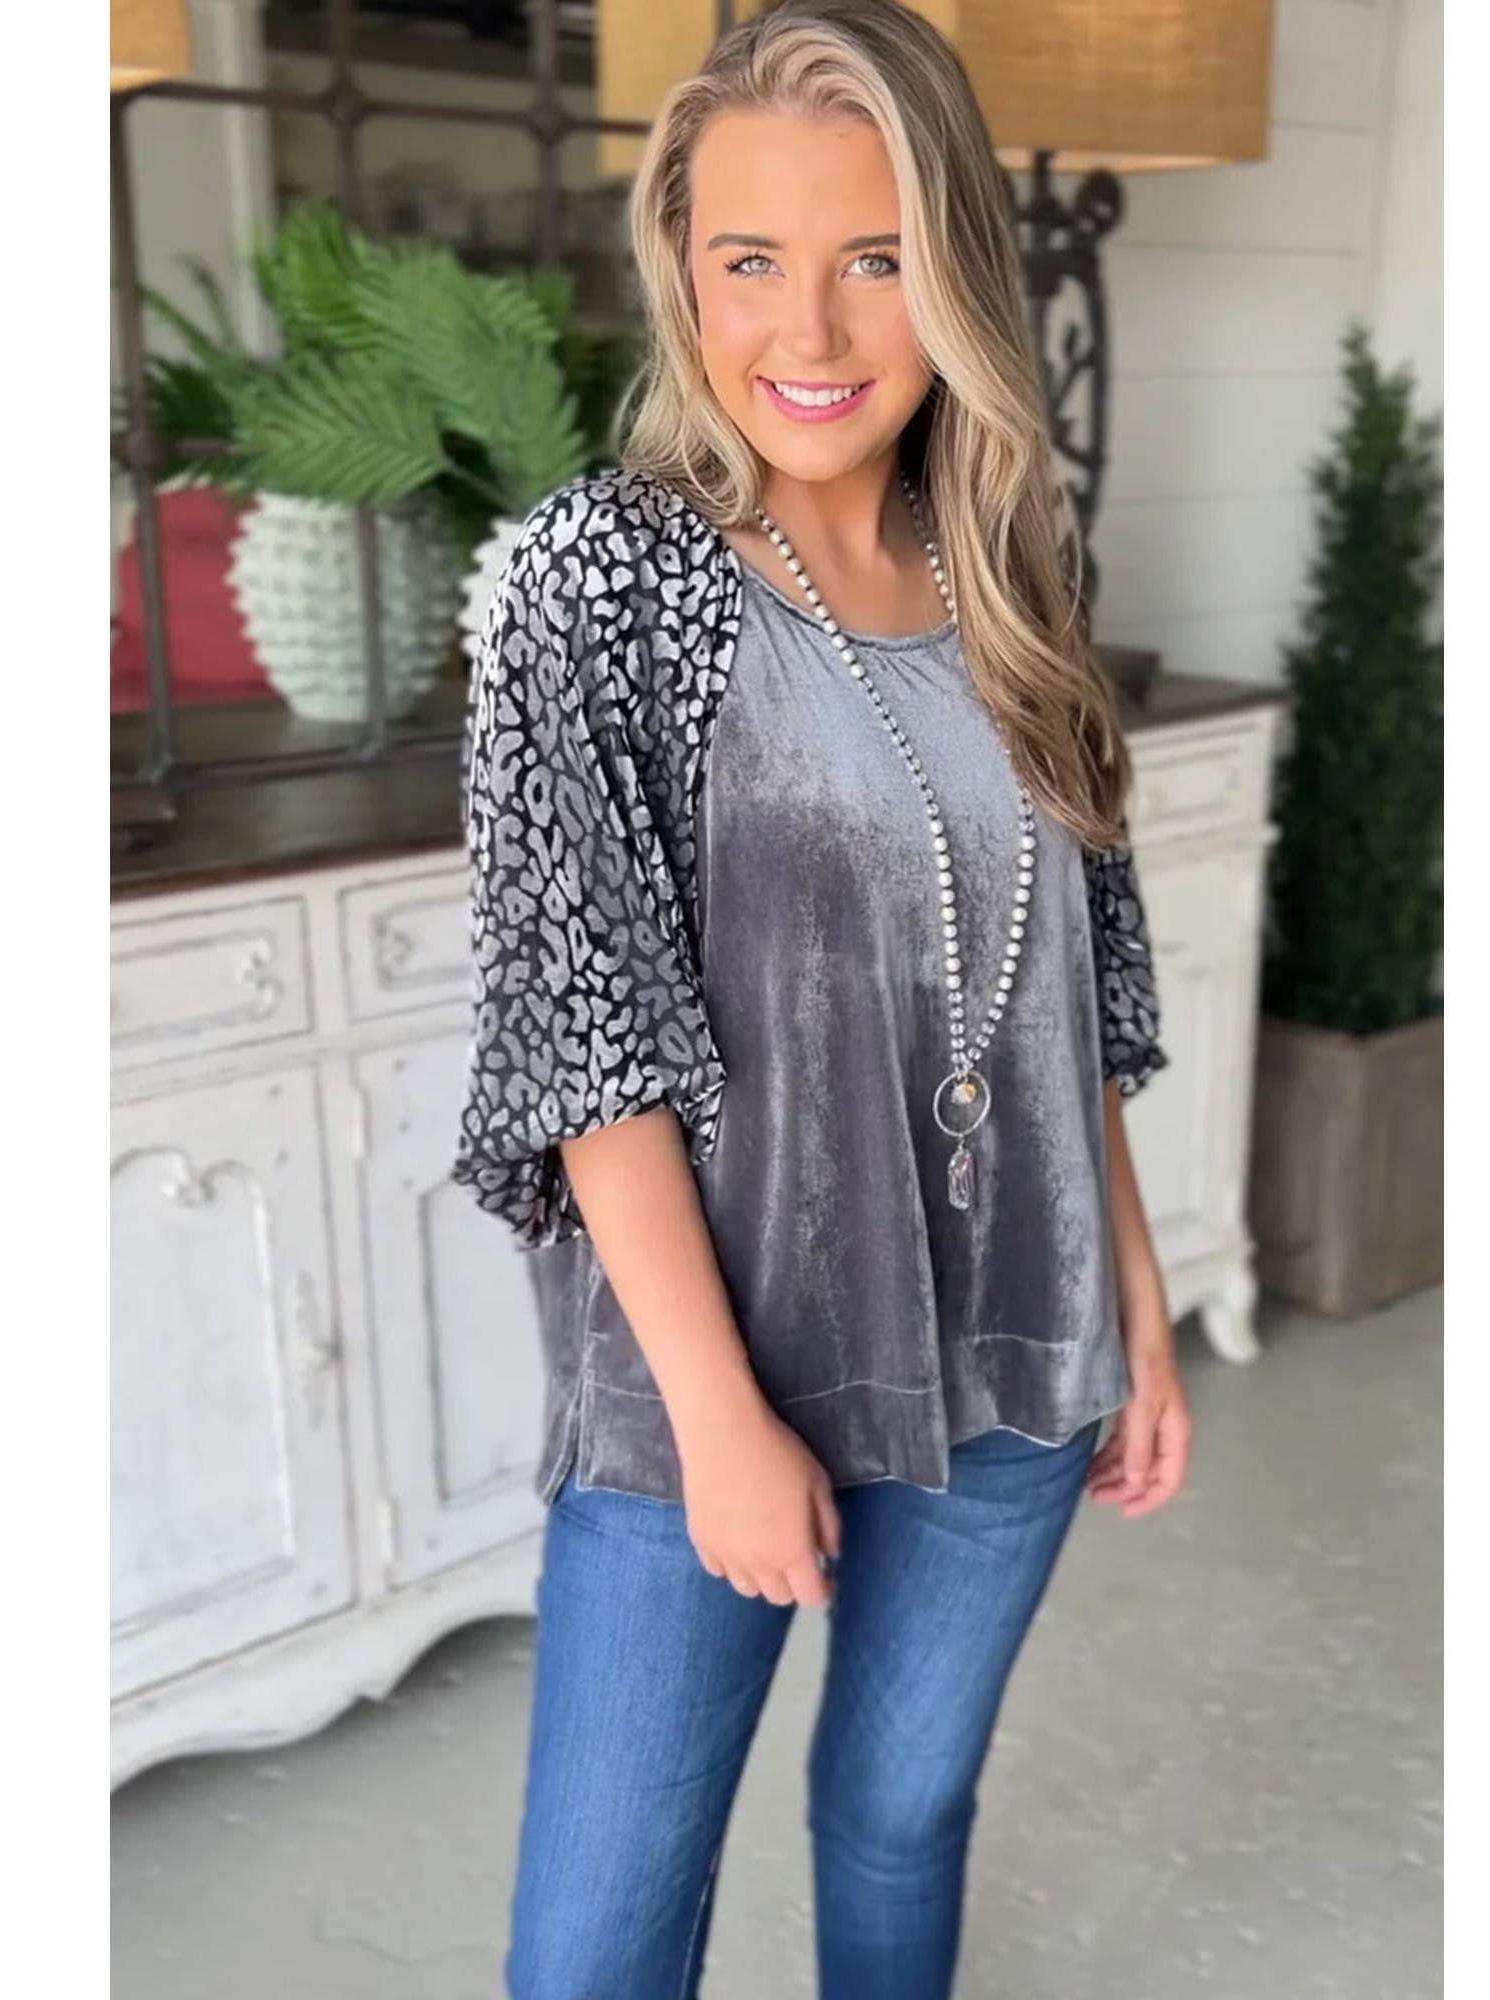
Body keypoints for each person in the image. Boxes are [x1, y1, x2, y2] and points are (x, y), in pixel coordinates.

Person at [452, 3, 1192, 1993]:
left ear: (952, 271)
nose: (811, 327)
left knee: (898, 1814)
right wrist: (717, 1422)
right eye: (749, 259)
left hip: (1015, 1349)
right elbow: (580, 1036)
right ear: (680, 273)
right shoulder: (603, 577)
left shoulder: (1012, 568)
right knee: (597, 1940)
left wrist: (1132, 1299)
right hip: (711, 1376)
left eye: (874, 256)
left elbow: (1077, 987)